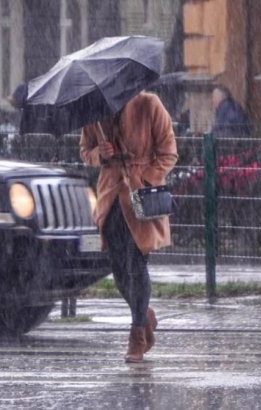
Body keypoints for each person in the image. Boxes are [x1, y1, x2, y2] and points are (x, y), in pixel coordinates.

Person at [79, 91, 178, 363]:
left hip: (141, 199)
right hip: (110, 198)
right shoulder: (93, 112)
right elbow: (85, 151)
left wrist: (146, 177)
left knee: (136, 265)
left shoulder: (149, 104)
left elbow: (169, 152)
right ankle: (144, 314)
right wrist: (100, 153)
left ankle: (137, 335)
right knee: (119, 269)